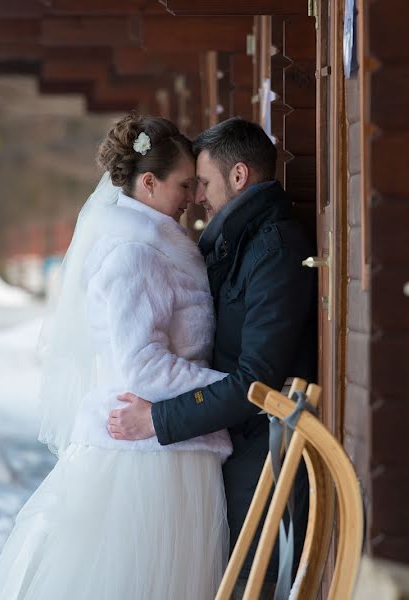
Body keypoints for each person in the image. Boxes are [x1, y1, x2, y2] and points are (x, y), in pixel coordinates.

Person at [0, 113, 231, 600]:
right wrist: (234, 389)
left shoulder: (155, 245)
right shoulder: (134, 252)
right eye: (184, 184)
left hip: (170, 442)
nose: (195, 197)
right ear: (148, 183)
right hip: (148, 458)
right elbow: (142, 366)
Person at [107, 117, 318, 598]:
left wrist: (159, 419)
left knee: (251, 585)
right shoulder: (237, 242)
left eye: (202, 183)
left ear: (238, 176)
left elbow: (257, 378)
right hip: (234, 450)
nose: (197, 197)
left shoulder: (274, 249)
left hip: (261, 459)